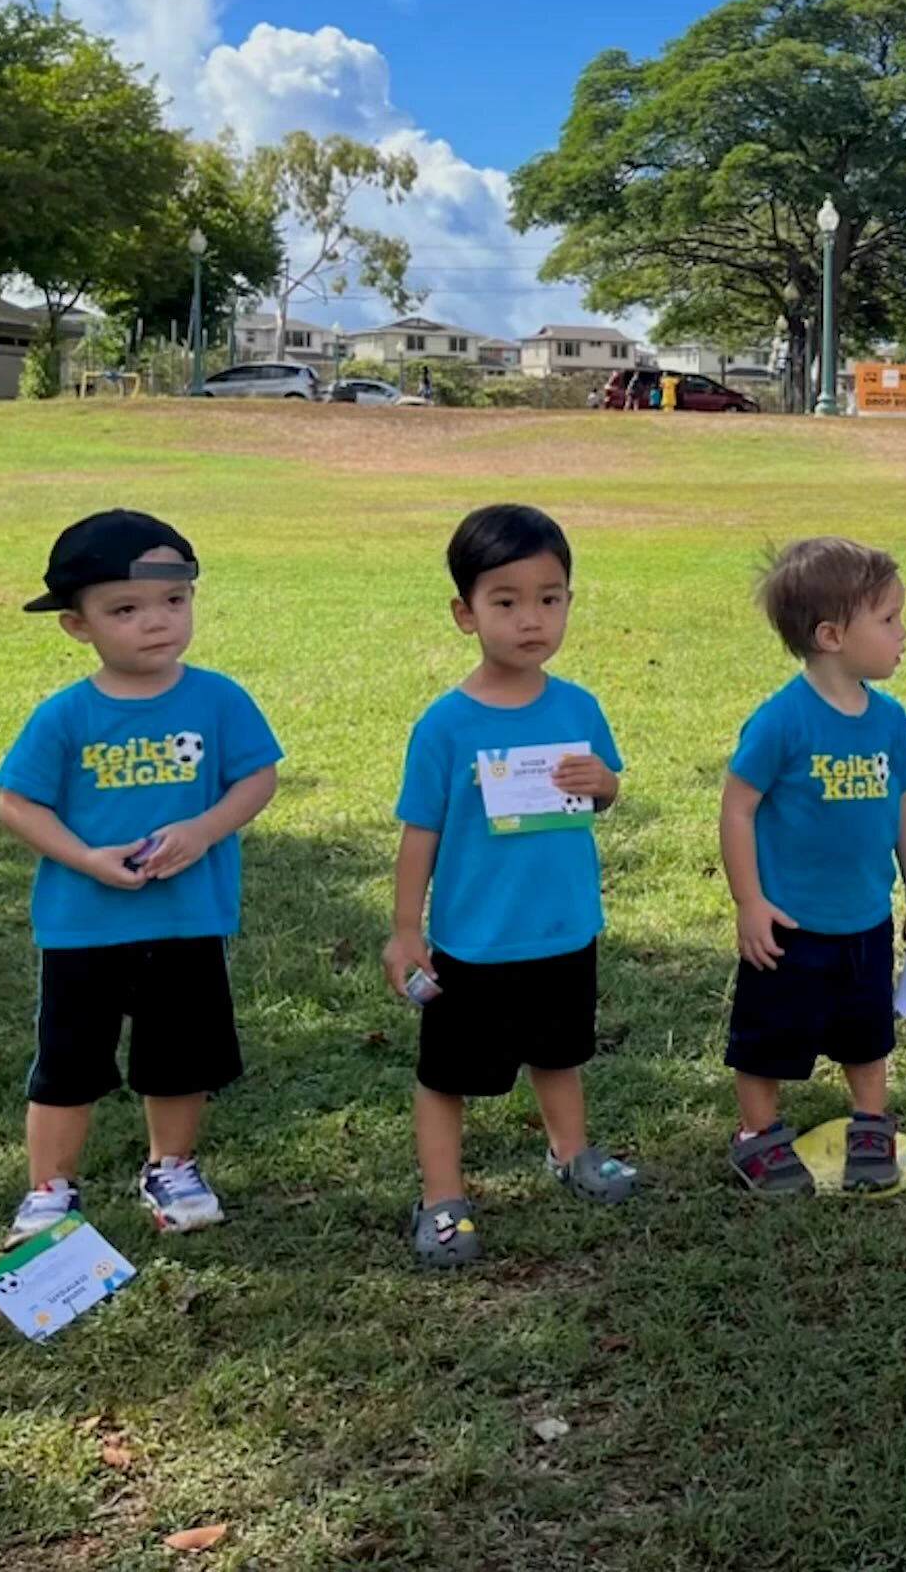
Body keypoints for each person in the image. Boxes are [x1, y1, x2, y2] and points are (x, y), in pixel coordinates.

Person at [0, 511, 282, 1239]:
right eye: (125, 609)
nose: (156, 623)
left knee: (179, 1059)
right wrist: (86, 859)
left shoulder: (218, 699)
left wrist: (203, 829)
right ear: (77, 625)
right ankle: (51, 1189)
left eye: (174, 602)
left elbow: (256, 779)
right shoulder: (67, 716)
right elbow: (17, 804)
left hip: (187, 918)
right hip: (84, 925)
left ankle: (170, 1166)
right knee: (68, 1063)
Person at [386, 505, 637, 1268]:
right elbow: (419, 833)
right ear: (465, 613)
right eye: (506, 601)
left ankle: (570, 1153)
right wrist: (405, 930)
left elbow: (602, 791)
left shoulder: (576, 707)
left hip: (564, 928)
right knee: (448, 1077)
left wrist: (606, 785)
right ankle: (442, 1199)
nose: (532, 619)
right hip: (473, 942)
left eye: (550, 598)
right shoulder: (445, 725)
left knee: (559, 1054)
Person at [720, 538, 906, 1194]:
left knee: (866, 1030)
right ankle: (756, 1134)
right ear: (831, 635)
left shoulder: (887, 719)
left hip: (865, 917)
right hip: (790, 921)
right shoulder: (781, 722)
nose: (904, 632)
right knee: (767, 1038)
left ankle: (870, 1121)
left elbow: (905, 801)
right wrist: (749, 902)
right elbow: (737, 809)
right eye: (889, 619)